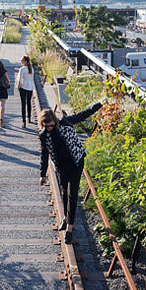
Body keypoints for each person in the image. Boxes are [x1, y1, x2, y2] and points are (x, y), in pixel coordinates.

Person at [38, 102, 103, 244]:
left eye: (51, 125)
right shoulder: (44, 135)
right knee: (64, 193)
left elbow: (82, 115)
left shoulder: (64, 123)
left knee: (72, 194)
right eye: (46, 126)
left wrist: (99, 104)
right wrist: (42, 174)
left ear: (55, 121)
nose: (49, 128)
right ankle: (65, 219)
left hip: (75, 162)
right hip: (61, 166)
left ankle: (69, 229)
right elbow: (44, 154)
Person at [16, 55, 35, 128]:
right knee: (29, 103)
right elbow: (32, 79)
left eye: (22, 60)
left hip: (23, 87)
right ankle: (29, 117)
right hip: (30, 87)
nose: (21, 61)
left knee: (23, 104)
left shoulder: (22, 69)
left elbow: (20, 79)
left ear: (26, 61)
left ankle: (24, 121)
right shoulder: (31, 69)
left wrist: (19, 86)